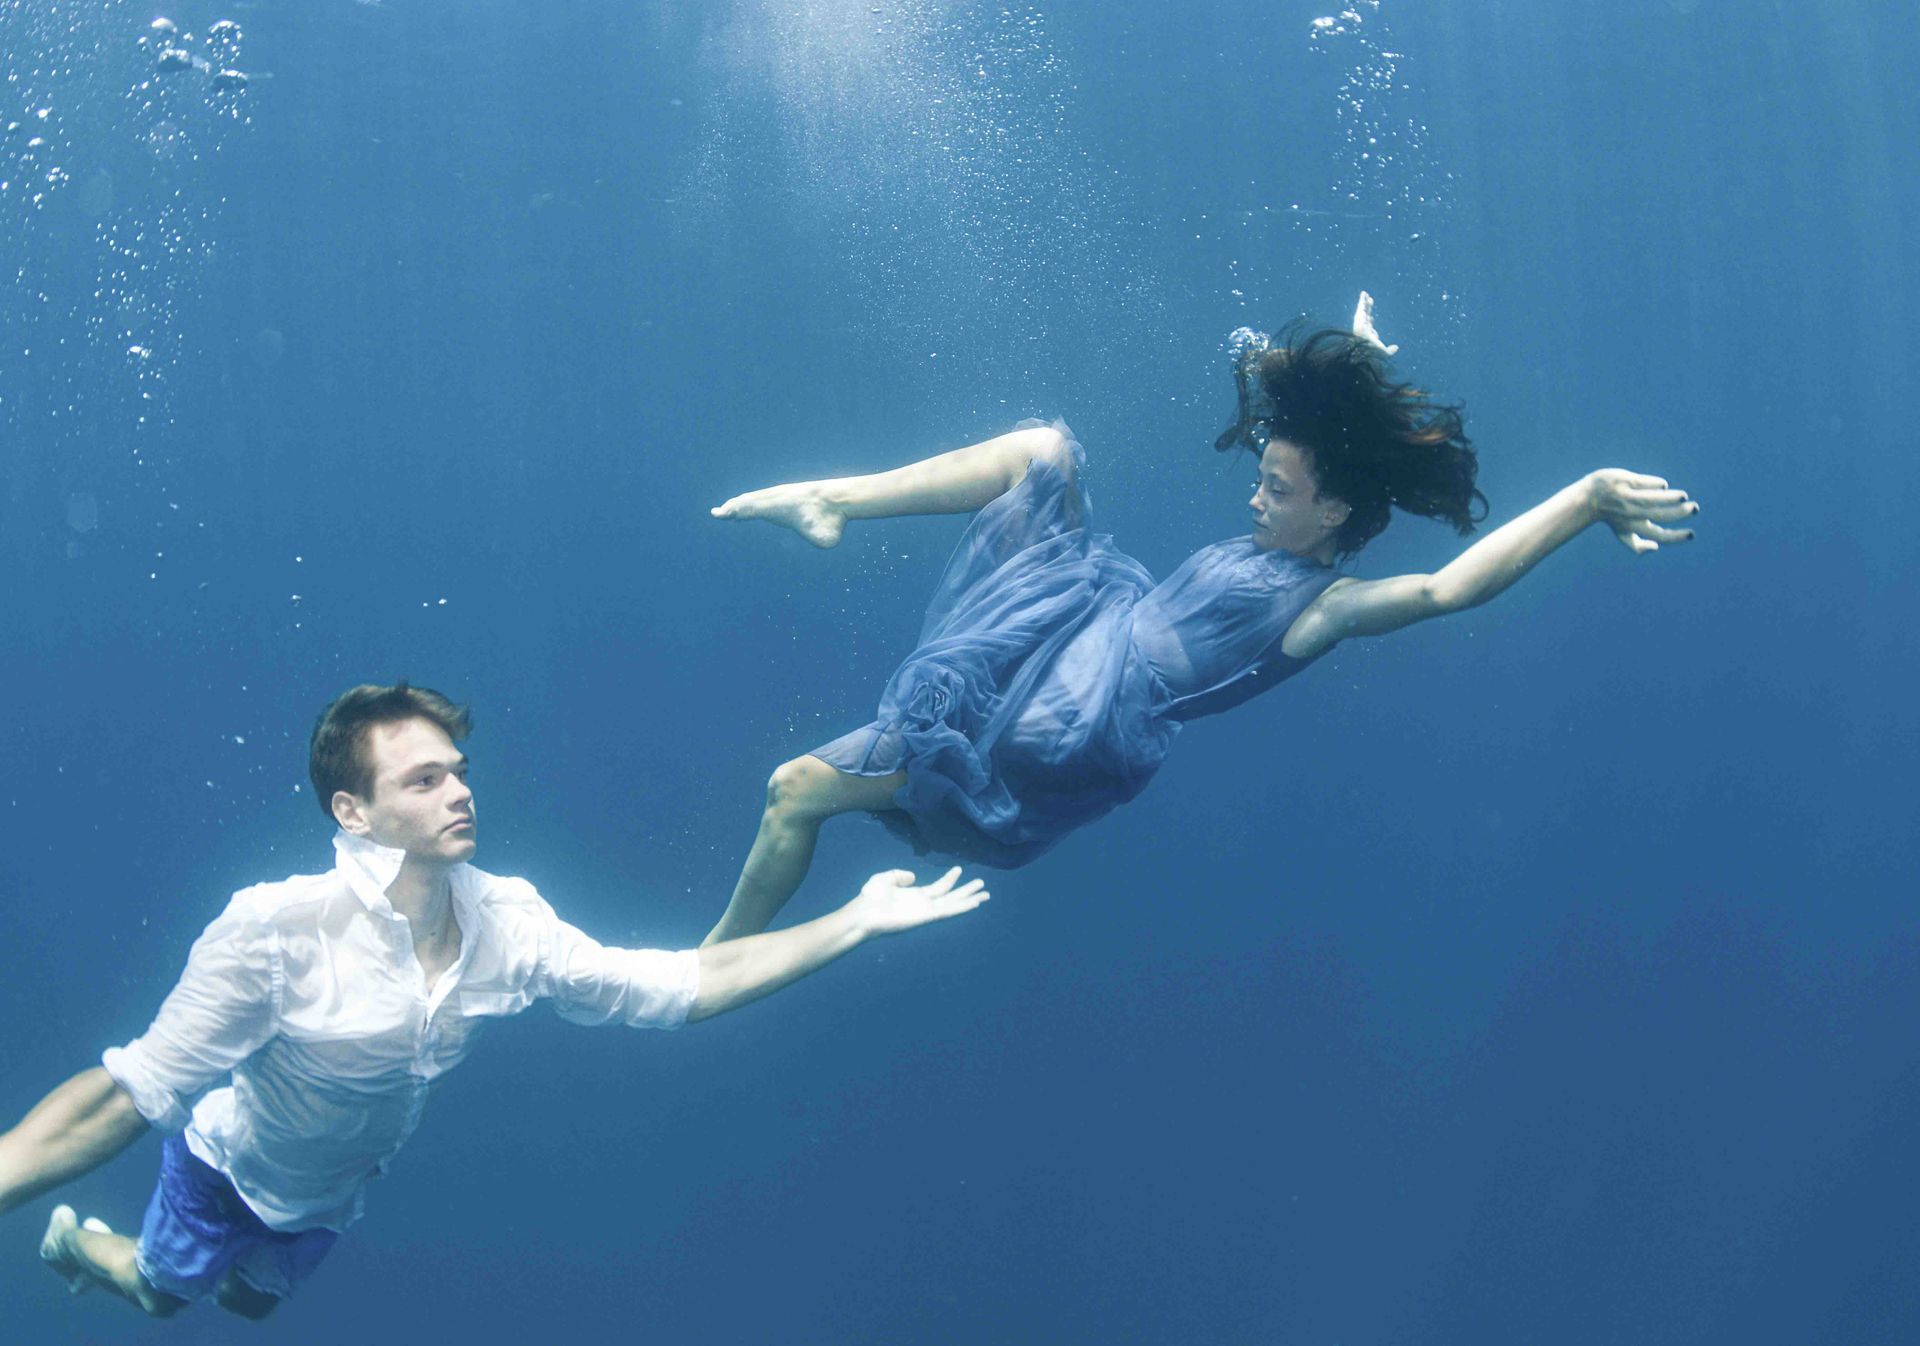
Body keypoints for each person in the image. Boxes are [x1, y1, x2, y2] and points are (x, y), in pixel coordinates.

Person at [701, 293, 1698, 944]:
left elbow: (1449, 589)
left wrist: (1587, 498)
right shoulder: (1290, 529)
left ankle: (718, 964)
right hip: (1069, 621)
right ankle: (832, 498)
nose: (1257, 494)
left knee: (796, 789)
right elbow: (1314, 426)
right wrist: (1354, 357)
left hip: (1054, 729)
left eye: (1277, 485)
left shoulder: (1319, 609)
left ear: (1333, 512)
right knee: (1043, 446)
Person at [0, 683, 987, 1320]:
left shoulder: (508, 921)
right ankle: (86, 1247)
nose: (458, 792)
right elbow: (125, 1092)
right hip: (221, 1169)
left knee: (250, 1307)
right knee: (166, 1294)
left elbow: (679, 986)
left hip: (329, 1195)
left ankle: (195, 1268)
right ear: (352, 811)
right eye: (422, 779)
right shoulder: (274, 932)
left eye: (459, 773)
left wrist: (853, 919)